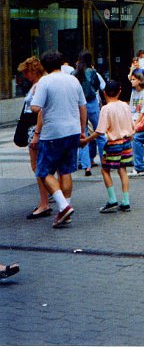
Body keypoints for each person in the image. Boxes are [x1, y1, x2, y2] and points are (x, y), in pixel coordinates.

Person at [30, 51, 87, 228]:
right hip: (73, 130)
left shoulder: (44, 81)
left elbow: (35, 107)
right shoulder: (73, 80)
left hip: (53, 133)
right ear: (61, 63)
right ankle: (65, 211)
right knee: (66, 170)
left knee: (43, 171)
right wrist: (82, 129)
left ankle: (63, 206)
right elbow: (82, 106)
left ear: (44, 66)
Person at [81, 80, 135, 213]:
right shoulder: (125, 105)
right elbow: (132, 125)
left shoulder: (106, 109)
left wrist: (86, 140)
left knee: (105, 170)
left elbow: (100, 131)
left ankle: (112, 200)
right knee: (122, 170)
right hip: (126, 142)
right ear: (119, 91)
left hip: (113, 143)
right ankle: (126, 201)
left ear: (104, 93)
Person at [18, 57, 51, 219]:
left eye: (26, 72)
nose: (25, 75)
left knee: (38, 167)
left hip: (35, 128)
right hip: (35, 128)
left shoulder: (39, 85)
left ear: (33, 71)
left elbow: (41, 111)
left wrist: (36, 133)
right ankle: (48, 199)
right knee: (40, 166)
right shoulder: (39, 83)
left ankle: (44, 202)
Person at [73, 50, 105, 177]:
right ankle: (104, 161)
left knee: (83, 133)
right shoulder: (92, 72)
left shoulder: (74, 73)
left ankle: (86, 165)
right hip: (91, 102)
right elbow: (97, 86)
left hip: (79, 105)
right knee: (100, 131)